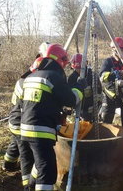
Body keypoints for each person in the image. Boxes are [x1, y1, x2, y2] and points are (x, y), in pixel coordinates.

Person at [20, 43, 84, 191]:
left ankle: (29, 187)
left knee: (40, 162)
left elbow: (39, 102)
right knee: (47, 170)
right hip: (40, 130)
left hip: (25, 128)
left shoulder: (32, 76)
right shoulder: (53, 76)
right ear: (60, 60)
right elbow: (71, 100)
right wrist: (79, 87)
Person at [3, 42, 50, 173]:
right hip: (21, 122)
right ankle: (26, 182)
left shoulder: (23, 80)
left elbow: (15, 102)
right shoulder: (29, 82)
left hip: (16, 120)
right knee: (26, 155)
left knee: (16, 143)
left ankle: (8, 163)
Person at [68, 53, 100, 122]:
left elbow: (99, 91)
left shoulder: (92, 75)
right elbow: (70, 96)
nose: (79, 71)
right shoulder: (72, 78)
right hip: (78, 110)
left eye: (80, 68)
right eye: (77, 68)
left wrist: (97, 106)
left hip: (91, 109)